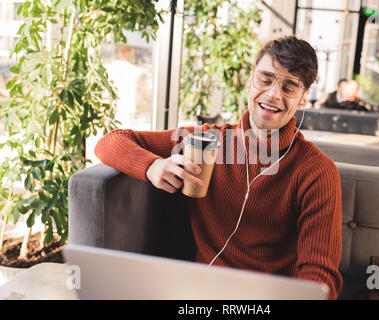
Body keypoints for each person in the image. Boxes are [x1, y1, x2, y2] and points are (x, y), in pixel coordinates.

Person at [95, 36, 343, 300]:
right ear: (250, 82)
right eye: (265, 79)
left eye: (289, 86)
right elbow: (111, 141)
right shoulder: (206, 142)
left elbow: (320, 279)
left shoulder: (317, 172)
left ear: (304, 99)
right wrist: (152, 167)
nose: (273, 94)